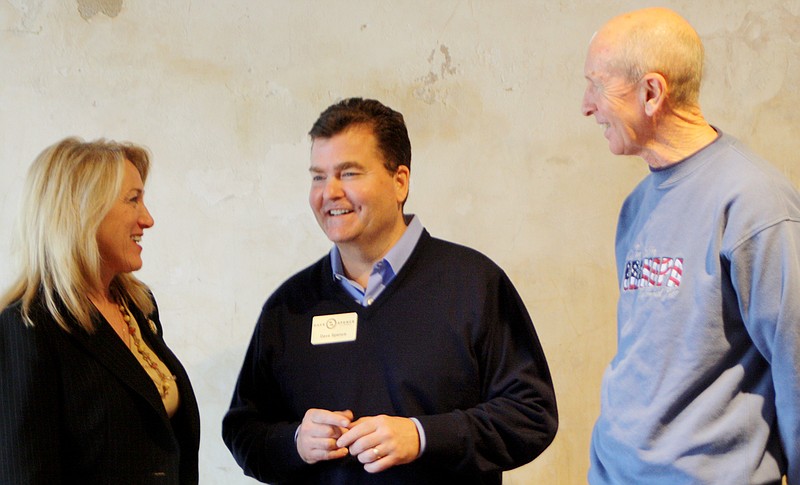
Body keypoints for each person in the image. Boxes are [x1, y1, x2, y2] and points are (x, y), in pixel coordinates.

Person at [222, 97, 558, 484]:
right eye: (318, 176)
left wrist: (422, 436)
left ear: (400, 182)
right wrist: (294, 441)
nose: (329, 191)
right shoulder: (289, 306)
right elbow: (243, 429)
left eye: (348, 173)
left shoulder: (473, 284)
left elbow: (531, 415)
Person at [581, 7, 800, 484]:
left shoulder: (755, 203)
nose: (586, 105)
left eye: (596, 85)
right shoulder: (637, 205)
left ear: (651, 92)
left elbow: (797, 364)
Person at [0, 137, 201, 484]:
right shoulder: (27, 327)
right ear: (82, 210)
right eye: (133, 200)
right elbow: (25, 471)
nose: (148, 219)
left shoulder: (139, 307)